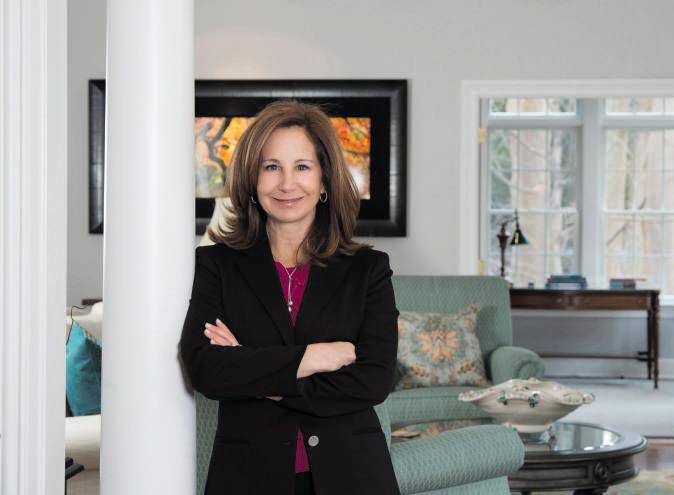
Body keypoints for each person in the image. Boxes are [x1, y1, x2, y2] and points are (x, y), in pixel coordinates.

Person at [179, 100, 401, 495]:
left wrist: (253, 369)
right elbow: (205, 369)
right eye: (271, 167)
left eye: (302, 167)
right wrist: (310, 358)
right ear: (252, 179)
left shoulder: (368, 270)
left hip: (352, 474)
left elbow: (374, 380)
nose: (286, 184)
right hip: (247, 477)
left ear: (324, 180)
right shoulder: (216, 265)